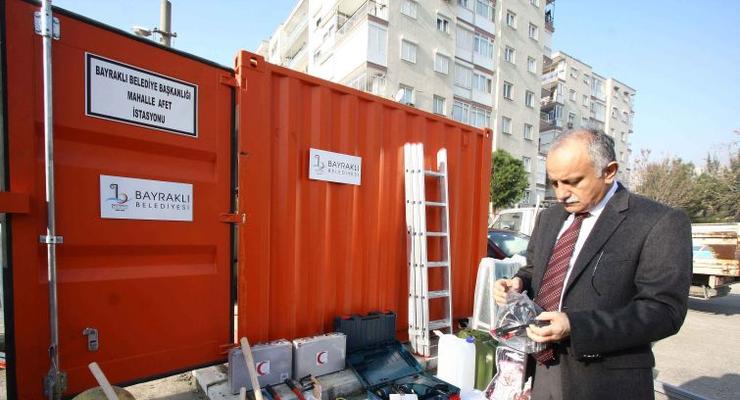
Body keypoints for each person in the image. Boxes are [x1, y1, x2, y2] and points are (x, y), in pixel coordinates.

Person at [493, 129, 692, 400]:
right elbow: (534, 269)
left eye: (573, 181)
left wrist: (576, 326)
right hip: (541, 371)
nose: (561, 194)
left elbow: (664, 312)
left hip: (604, 382)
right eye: (554, 183)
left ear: (608, 171)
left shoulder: (658, 222)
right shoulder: (549, 218)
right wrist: (519, 282)